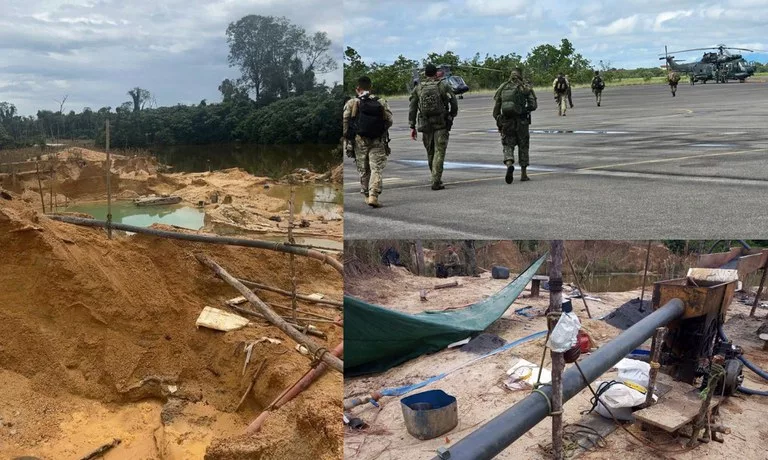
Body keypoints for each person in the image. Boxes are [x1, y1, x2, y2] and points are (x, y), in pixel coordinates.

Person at [342, 75, 393, 208]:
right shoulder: (381, 101)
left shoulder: (352, 103)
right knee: (376, 168)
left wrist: (348, 138)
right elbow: (389, 120)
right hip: (377, 139)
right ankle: (373, 195)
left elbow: (345, 122)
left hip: (360, 140)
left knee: (363, 169)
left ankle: (366, 194)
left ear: (357, 88)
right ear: (371, 88)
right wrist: (380, 130)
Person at [409, 63, 458, 190]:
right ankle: (436, 180)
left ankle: (435, 177)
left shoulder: (418, 88)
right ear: (436, 73)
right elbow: (453, 101)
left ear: (425, 74)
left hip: (425, 124)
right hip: (441, 123)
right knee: (439, 151)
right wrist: (452, 115)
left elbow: (412, 107)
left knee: (430, 152)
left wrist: (412, 125)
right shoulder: (443, 85)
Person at [493, 67, 537, 183]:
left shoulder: (503, 87)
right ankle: (523, 174)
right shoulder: (524, 87)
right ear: (520, 75)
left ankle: (509, 164)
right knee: (523, 146)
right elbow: (533, 105)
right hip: (522, 122)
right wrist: (524, 109)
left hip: (507, 122)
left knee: (508, 145)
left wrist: (499, 122)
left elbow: (496, 110)